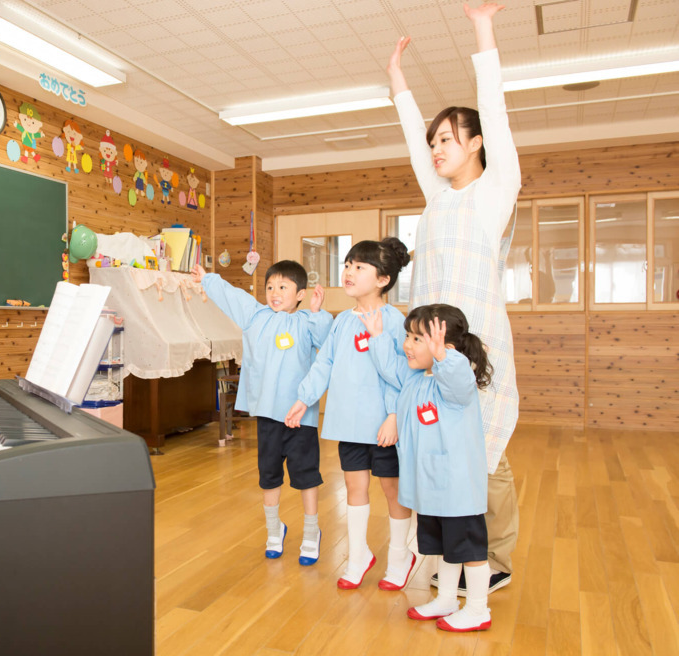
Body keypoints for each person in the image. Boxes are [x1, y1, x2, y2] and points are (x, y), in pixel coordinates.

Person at [387, 1, 520, 594]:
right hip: (430, 347)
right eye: (433, 140)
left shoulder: (495, 192)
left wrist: (483, 29)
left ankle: (494, 561)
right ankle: (450, 554)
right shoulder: (435, 197)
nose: (436, 149)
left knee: (485, 452)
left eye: (447, 139)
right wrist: (397, 82)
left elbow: (495, 107)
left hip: (477, 343)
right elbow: (414, 142)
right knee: (437, 441)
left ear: (475, 144)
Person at [285, 238, 415, 591]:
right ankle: (358, 556)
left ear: (383, 279)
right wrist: (303, 398)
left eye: (359, 267)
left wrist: (393, 415)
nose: (349, 272)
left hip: (384, 426)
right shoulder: (342, 321)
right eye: (347, 264)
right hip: (349, 422)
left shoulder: (394, 320)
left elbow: (401, 374)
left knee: (393, 490)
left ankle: (401, 556)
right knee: (354, 488)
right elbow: (324, 362)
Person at [361, 304, 493, 632]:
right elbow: (392, 371)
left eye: (417, 338)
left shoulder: (454, 383)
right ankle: (447, 599)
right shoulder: (417, 379)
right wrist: (378, 339)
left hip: (457, 488)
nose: (407, 344)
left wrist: (445, 358)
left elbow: (459, 380)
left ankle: (478, 609)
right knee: (443, 548)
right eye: (408, 336)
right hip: (431, 488)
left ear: (444, 346)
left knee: (469, 549)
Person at [193, 261, 331, 565]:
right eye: (270, 287)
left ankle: (311, 532)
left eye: (283, 287)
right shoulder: (255, 316)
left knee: (306, 477)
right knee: (269, 476)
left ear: (300, 294)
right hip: (268, 416)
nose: (274, 293)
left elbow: (326, 341)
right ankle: (273, 530)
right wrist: (208, 279)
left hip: (300, 417)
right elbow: (232, 296)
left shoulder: (307, 321)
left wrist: (319, 311)